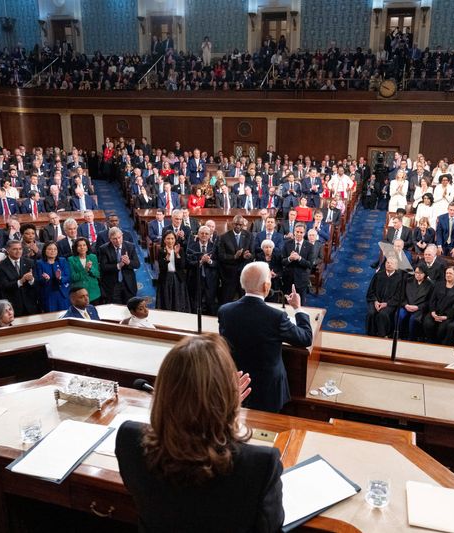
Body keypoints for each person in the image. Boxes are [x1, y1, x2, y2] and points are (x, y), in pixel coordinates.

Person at [115, 334, 284, 532]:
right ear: (225, 397)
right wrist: (229, 412)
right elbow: (271, 528)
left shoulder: (129, 439)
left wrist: (227, 407)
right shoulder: (261, 464)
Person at [218, 262, 313, 412]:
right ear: (266, 286)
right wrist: (297, 308)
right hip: (268, 390)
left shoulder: (224, 311)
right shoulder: (276, 317)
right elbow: (305, 338)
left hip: (237, 384)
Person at [0, 240, 39, 317]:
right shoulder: (0, 266)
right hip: (13, 305)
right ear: (8, 250)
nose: (18, 251)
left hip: (31, 303)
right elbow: (3, 286)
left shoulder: (30, 262)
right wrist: (21, 281)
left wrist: (31, 280)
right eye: (15, 249)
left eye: (20, 249)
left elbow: (37, 284)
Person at [423, 266, 454, 344]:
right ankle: (430, 342)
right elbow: (432, 300)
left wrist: (446, 316)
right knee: (428, 323)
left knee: (442, 328)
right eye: (447, 273)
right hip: (435, 313)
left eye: (450, 273)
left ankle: (439, 345)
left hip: (448, 315)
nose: (448, 275)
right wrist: (433, 312)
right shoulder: (438, 285)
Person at [98, 227, 141, 305]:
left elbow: (137, 264)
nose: (118, 241)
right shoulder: (104, 249)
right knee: (116, 308)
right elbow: (103, 267)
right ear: (110, 239)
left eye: (119, 237)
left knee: (130, 307)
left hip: (128, 283)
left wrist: (128, 262)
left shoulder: (130, 246)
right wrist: (118, 265)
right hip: (112, 285)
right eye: (114, 239)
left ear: (122, 235)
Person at [365, 257, 404, 337]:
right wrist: (375, 301)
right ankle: (370, 334)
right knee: (371, 312)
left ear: (396, 266)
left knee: (383, 314)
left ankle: (383, 335)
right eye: (387, 263)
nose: (389, 264)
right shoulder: (378, 275)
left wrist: (386, 304)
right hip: (376, 301)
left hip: (389, 304)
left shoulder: (400, 279)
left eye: (391, 263)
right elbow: (371, 291)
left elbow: (399, 295)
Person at [157, 230, 190, 312]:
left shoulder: (180, 250)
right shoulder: (161, 251)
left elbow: (182, 266)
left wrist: (177, 254)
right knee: (167, 301)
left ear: (175, 239)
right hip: (166, 278)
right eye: (168, 238)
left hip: (178, 278)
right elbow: (162, 267)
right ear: (164, 240)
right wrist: (168, 255)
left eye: (172, 238)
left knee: (179, 301)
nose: (170, 241)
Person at [399, 264, 434, 341]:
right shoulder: (408, 281)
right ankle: (400, 336)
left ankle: (411, 339)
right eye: (416, 272)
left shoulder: (430, 285)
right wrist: (405, 305)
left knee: (413, 319)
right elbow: (402, 296)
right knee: (400, 315)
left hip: (419, 309)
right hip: (406, 306)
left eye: (420, 273)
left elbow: (429, 301)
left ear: (425, 274)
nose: (418, 275)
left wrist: (418, 307)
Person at [34, 241, 71, 313]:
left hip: (62, 294)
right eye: (50, 249)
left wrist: (60, 278)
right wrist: (45, 279)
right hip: (48, 295)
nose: (53, 251)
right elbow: (37, 280)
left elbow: (68, 276)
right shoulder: (39, 263)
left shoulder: (62, 261)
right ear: (45, 250)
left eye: (55, 249)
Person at [281, 224, 313, 303]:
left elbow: (310, 265)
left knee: (300, 304)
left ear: (304, 233)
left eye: (301, 232)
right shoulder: (287, 244)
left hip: (301, 281)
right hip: (288, 280)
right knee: (287, 304)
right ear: (294, 232)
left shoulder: (309, 246)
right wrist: (290, 258)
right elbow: (282, 262)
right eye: (297, 231)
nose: (299, 234)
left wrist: (299, 258)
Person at [68, 237, 102, 305]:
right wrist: (85, 270)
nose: (82, 247)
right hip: (79, 294)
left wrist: (91, 268)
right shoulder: (71, 259)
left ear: (87, 247)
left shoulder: (93, 257)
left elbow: (98, 274)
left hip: (94, 293)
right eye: (79, 245)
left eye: (84, 245)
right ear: (76, 248)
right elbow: (73, 277)